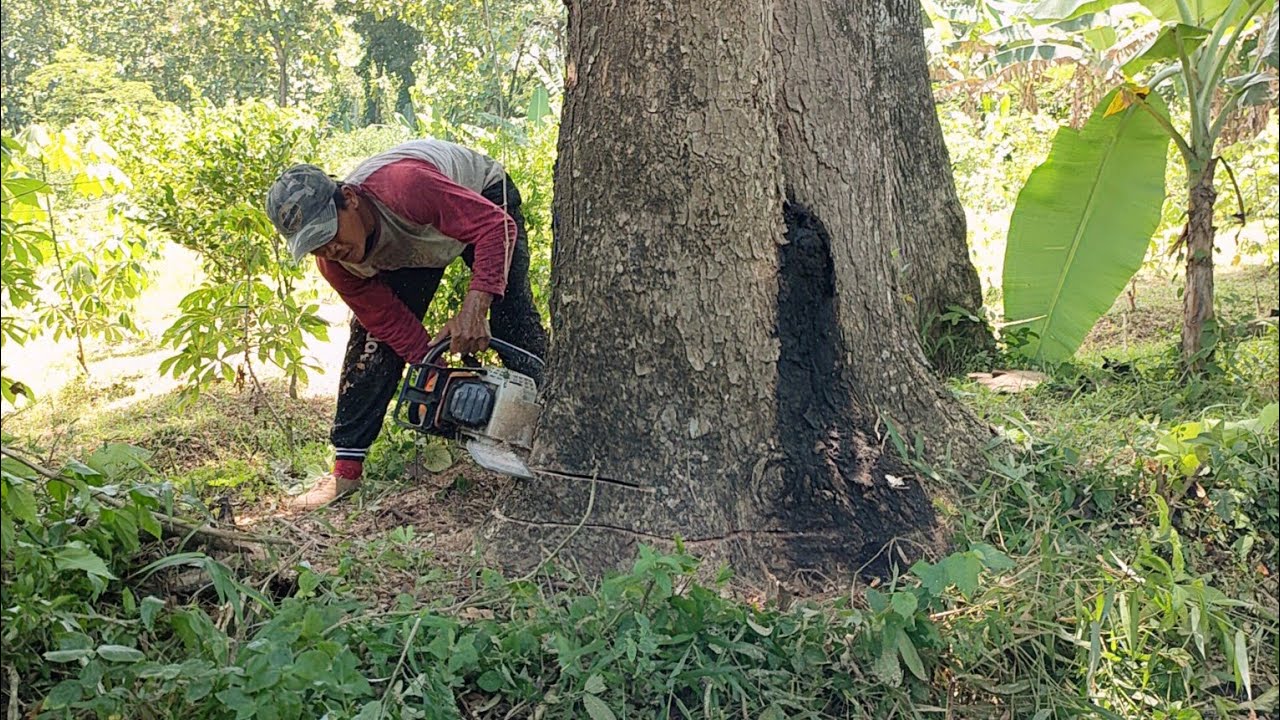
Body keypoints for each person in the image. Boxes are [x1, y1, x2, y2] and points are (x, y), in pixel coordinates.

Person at [265, 139, 547, 509]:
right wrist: (436, 369)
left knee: (513, 324)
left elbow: (496, 227)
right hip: (414, 244)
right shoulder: (335, 264)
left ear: (349, 199)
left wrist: (475, 309)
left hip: (481, 204)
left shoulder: (406, 187)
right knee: (373, 345)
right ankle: (345, 472)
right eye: (316, 246)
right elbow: (389, 322)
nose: (330, 250)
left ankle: (554, 426)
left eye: (329, 235)